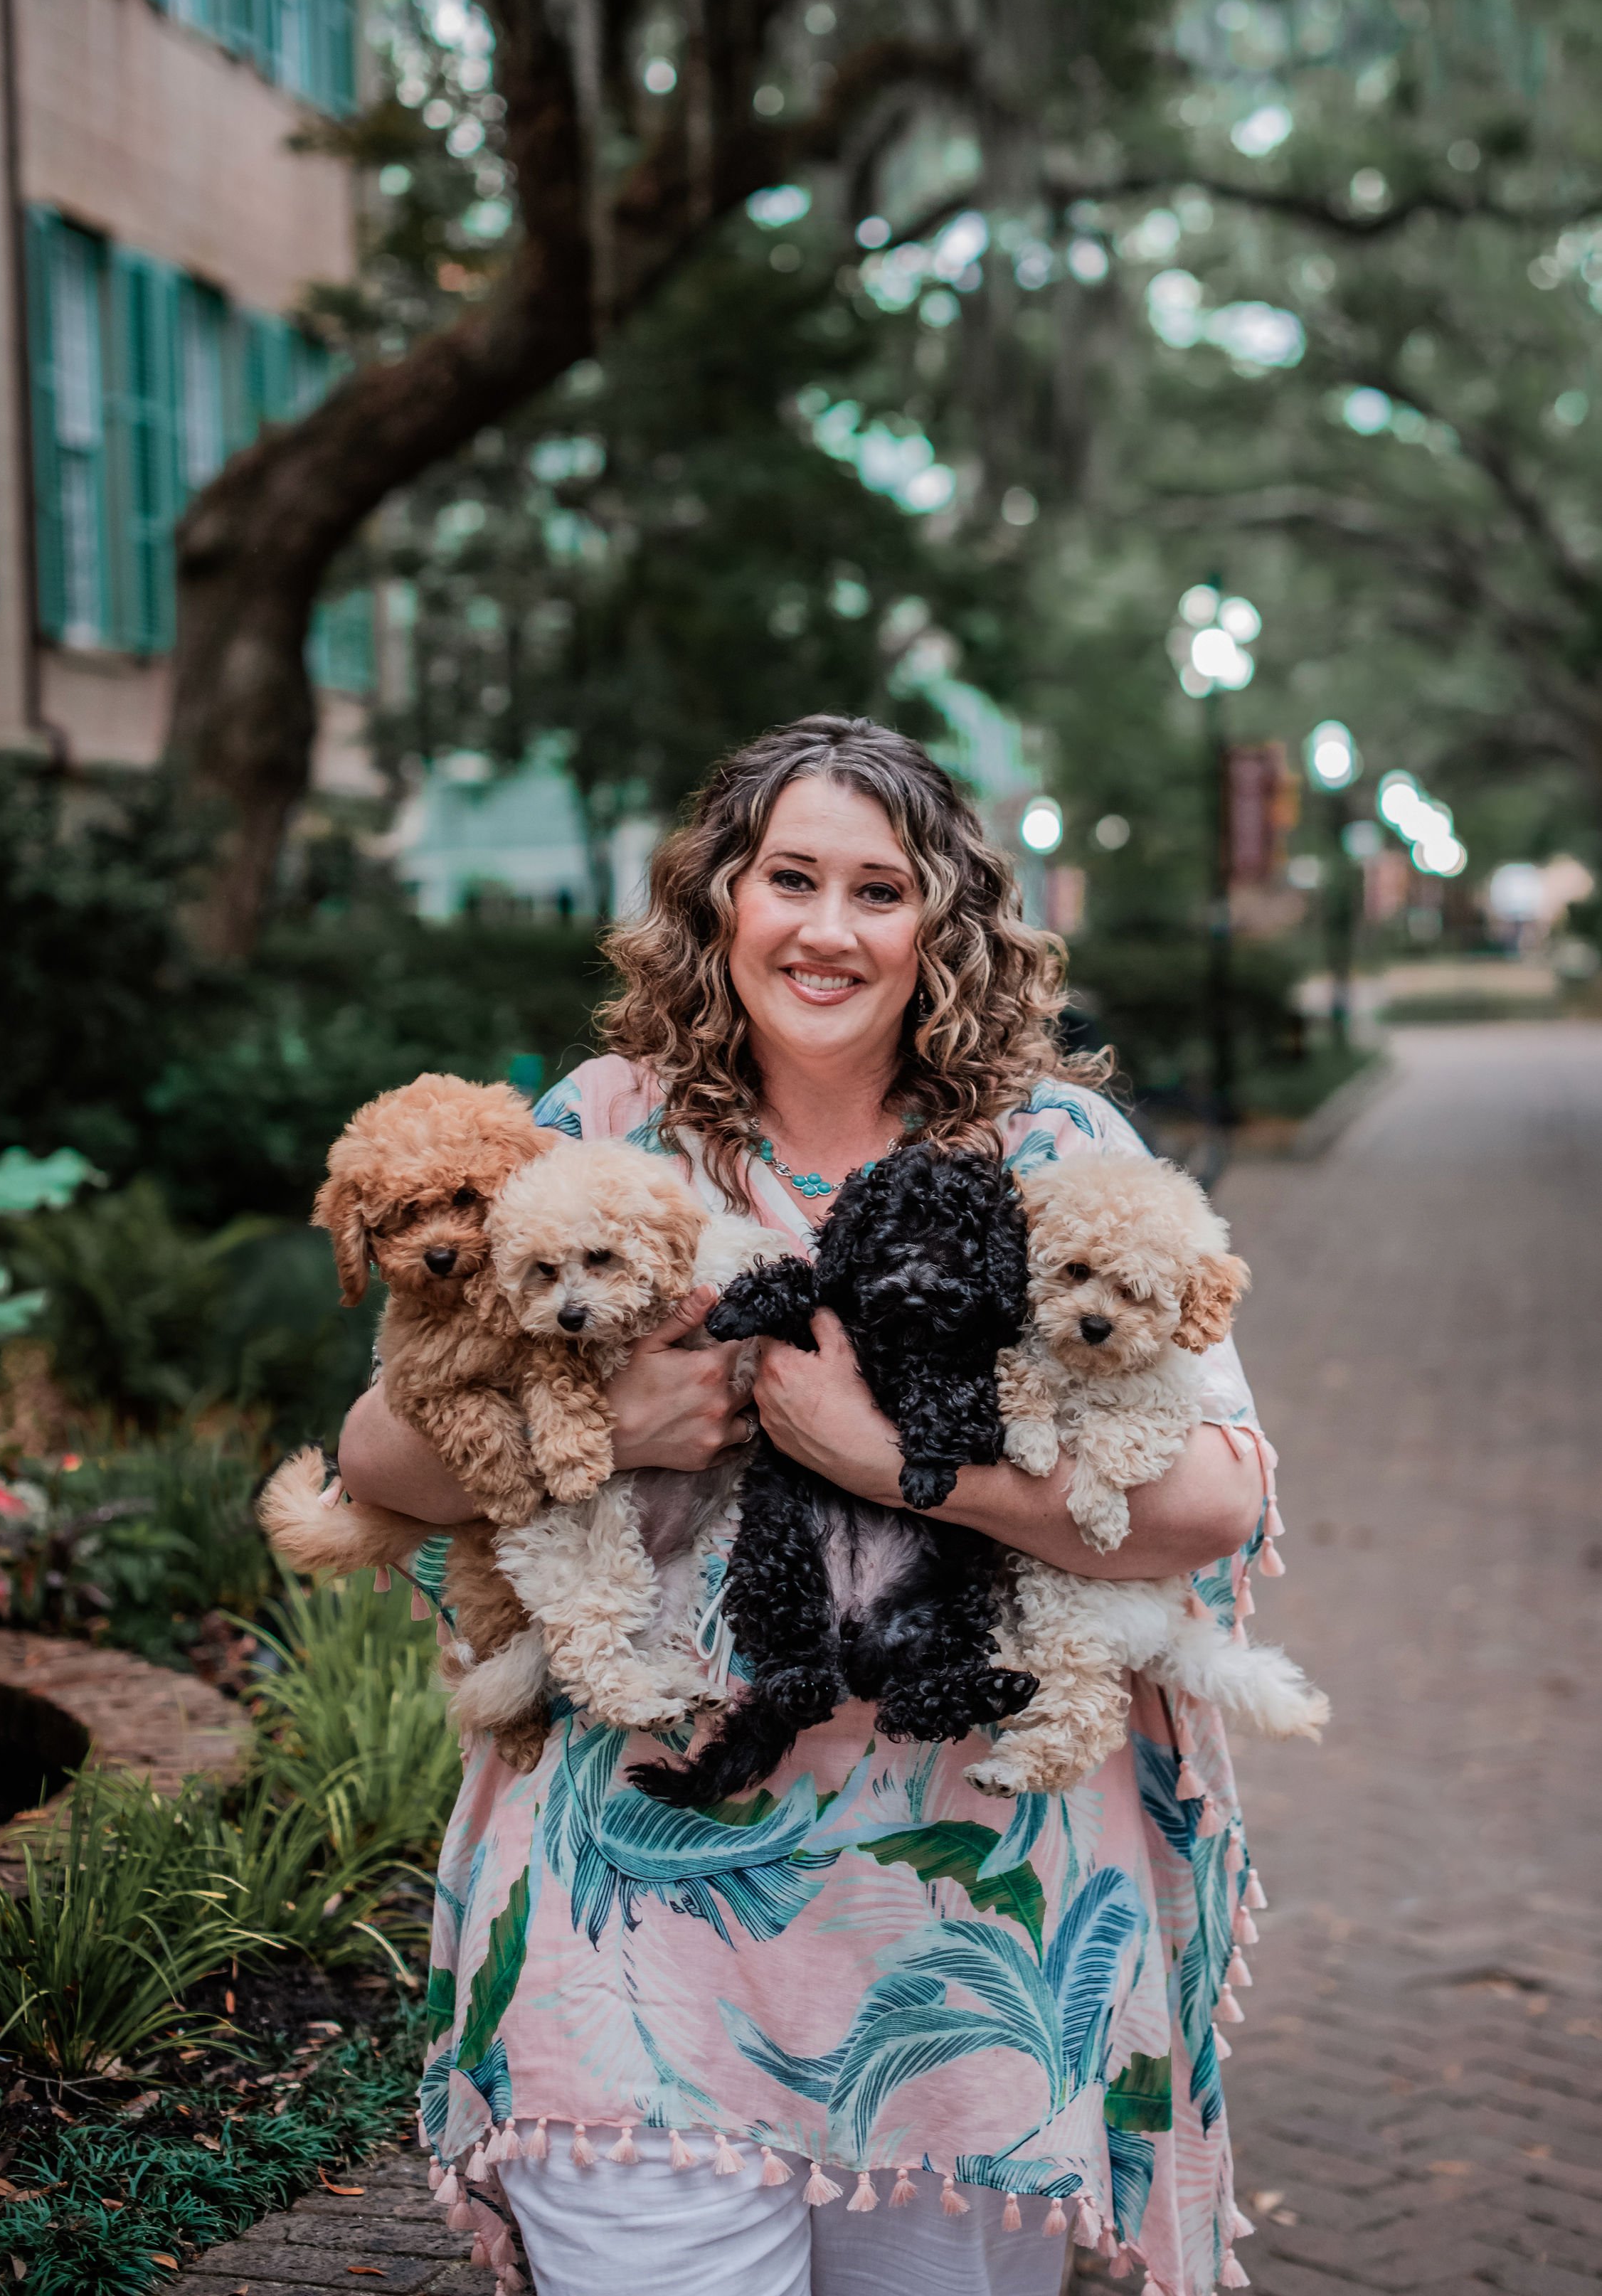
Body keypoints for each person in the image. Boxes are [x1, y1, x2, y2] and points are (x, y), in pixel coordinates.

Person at [338, 718, 1273, 2296]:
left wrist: (877, 1453)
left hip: (967, 1932)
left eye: (878, 889)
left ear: (942, 928)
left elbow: (1213, 1501)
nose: (827, 930)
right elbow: (380, 1449)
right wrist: (629, 1422)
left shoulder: (1054, 1147)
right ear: (719, 899)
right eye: (788, 878)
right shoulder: (598, 1125)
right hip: (630, 1907)